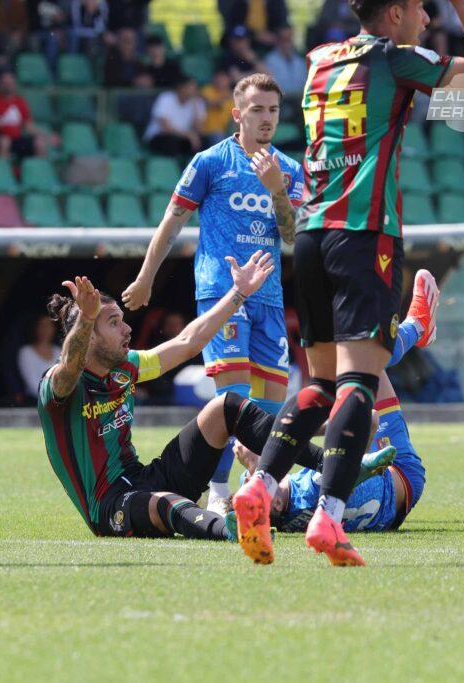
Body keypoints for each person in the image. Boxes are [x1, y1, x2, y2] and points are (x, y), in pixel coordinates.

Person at [233, 0, 464, 567]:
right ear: (397, 13)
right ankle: (328, 519)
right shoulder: (395, 59)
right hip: (363, 235)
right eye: (424, 10)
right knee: (359, 382)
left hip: (309, 234)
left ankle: (259, 486)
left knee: (320, 385)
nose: (429, 20)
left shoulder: (319, 60)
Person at [125, 73, 303, 516]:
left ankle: (255, 491)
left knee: (269, 406)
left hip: (269, 297)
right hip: (223, 294)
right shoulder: (210, 162)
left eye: (273, 110)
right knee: (233, 401)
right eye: (257, 110)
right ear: (237, 114)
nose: (266, 119)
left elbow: (294, 237)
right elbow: (172, 222)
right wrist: (147, 276)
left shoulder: (289, 169)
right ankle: (220, 493)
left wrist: (278, 191)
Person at [38, 255, 274, 540]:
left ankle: (329, 466)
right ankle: (236, 530)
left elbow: (188, 342)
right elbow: (70, 368)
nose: (127, 330)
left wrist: (239, 293)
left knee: (227, 406)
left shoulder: (126, 368)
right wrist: (86, 319)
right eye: (114, 323)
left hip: (146, 479)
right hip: (110, 506)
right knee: (163, 503)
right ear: (89, 336)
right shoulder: (58, 386)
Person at [233, 372, 424, 533]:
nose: (252, 480)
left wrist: (253, 469)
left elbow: (256, 483)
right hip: (401, 471)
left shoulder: (291, 520)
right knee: (367, 361)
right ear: (276, 505)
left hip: (391, 515)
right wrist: (294, 429)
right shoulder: (316, 485)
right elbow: (370, 419)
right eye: (252, 485)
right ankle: (418, 329)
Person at [0, 70, 50, 159]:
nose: (7, 85)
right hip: (1, 137)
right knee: (5, 141)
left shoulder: (20, 101)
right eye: (4, 82)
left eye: (10, 83)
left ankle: (40, 170)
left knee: (40, 143)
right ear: (0, 84)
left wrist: (45, 135)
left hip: (18, 138)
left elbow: (28, 126)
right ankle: (2, 171)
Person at [143, 77, 207, 157]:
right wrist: (189, 135)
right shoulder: (165, 98)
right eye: (190, 87)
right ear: (181, 88)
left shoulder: (196, 103)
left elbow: (200, 130)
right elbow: (166, 128)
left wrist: (195, 105)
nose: (193, 90)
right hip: (159, 137)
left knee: (204, 141)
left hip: (182, 138)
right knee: (171, 142)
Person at [18, 315, 61, 401]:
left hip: (59, 402)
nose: (45, 329)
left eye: (49, 325)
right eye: (42, 325)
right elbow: (33, 384)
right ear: (36, 328)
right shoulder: (26, 352)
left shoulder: (59, 351)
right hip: (34, 402)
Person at [263, 26, 308, 104]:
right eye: (283, 39)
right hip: (280, 102)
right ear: (278, 40)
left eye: (289, 39)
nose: (287, 42)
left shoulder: (300, 61)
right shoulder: (269, 60)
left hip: (300, 102)